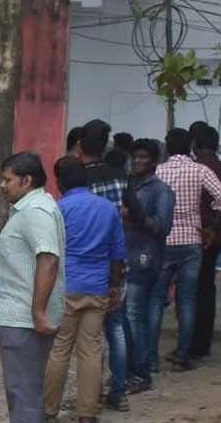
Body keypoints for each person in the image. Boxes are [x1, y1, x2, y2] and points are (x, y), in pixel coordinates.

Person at [44, 156, 125, 423]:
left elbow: (51, 253)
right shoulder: (108, 208)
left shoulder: (59, 209)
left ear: (60, 181)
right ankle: (87, 414)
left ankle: (48, 410)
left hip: (66, 287)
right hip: (97, 286)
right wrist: (113, 285)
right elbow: (117, 254)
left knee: (60, 349)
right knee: (90, 350)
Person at [0, 152, 66, 423]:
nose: (2, 185)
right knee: (24, 392)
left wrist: (37, 312)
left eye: (7, 180)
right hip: (22, 317)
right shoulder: (33, 208)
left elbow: (48, 259)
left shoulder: (36, 211)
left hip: (24, 319)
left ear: (26, 180)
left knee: (23, 395)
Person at [77, 119, 142, 412]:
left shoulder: (78, 180)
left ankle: (89, 396)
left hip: (84, 267)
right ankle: (118, 391)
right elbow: (137, 214)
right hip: (116, 262)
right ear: (106, 147)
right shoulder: (121, 176)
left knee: (88, 337)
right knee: (115, 327)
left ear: (80, 146)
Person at [149, 127, 221, 371]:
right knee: (188, 299)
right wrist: (211, 226)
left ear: (166, 147)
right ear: (190, 146)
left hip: (164, 241)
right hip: (192, 240)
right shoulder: (199, 170)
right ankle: (182, 355)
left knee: (157, 298)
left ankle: (150, 358)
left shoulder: (157, 171)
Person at [123, 138, 174, 393]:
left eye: (144, 157)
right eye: (136, 156)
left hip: (146, 259)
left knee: (135, 317)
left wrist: (136, 217)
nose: (138, 161)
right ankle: (128, 372)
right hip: (126, 258)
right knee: (124, 320)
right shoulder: (128, 185)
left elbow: (163, 226)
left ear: (155, 162)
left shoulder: (160, 190)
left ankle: (141, 374)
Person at [189, 126, 221, 359]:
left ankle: (194, 343)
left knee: (194, 290)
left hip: (199, 234)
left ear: (195, 144)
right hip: (214, 234)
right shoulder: (218, 165)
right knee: (206, 287)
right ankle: (202, 341)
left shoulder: (197, 168)